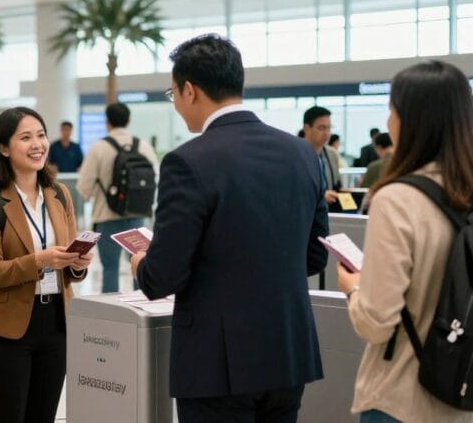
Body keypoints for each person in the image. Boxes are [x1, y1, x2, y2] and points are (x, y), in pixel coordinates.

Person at [132, 34, 328, 423]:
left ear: (190, 90)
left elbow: (163, 276)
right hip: (287, 354)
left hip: (216, 366)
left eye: (173, 95)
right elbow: (315, 255)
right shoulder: (301, 154)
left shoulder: (187, 162)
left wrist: (141, 263)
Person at [336, 60, 473, 422]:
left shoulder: (398, 199)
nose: (387, 121)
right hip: (463, 392)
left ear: (411, 120)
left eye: (392, 109)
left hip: (404, 397)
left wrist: (352, 288)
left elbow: (376, 321)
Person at [0, 107, 91, 423]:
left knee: (44, 416)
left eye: (41, 135)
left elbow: (72, 272)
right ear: (4, 148)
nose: (37, 144)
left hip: (56, 323)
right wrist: (39, 261)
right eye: (25, 137)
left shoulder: (59, 194)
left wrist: (78, 263)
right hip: (7, 330)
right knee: (7, 416)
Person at [76, 102, 158, 293]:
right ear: (128, 120)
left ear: (108, 122)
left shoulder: (99, 148)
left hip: (107, 219)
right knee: (140, 269)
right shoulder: (143, 146)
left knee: (110, 270)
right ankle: (143, 314)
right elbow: (154, 178)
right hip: (137, 218)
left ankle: (112, 319)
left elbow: (83, 187)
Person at [302, 106, 343, 208]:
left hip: (330, 213)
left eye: (329, 128)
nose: (327, 133)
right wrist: (321, 196)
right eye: (321, 128)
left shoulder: (332, 154)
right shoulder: (295, 154)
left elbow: (336, 184)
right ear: (306, 128)